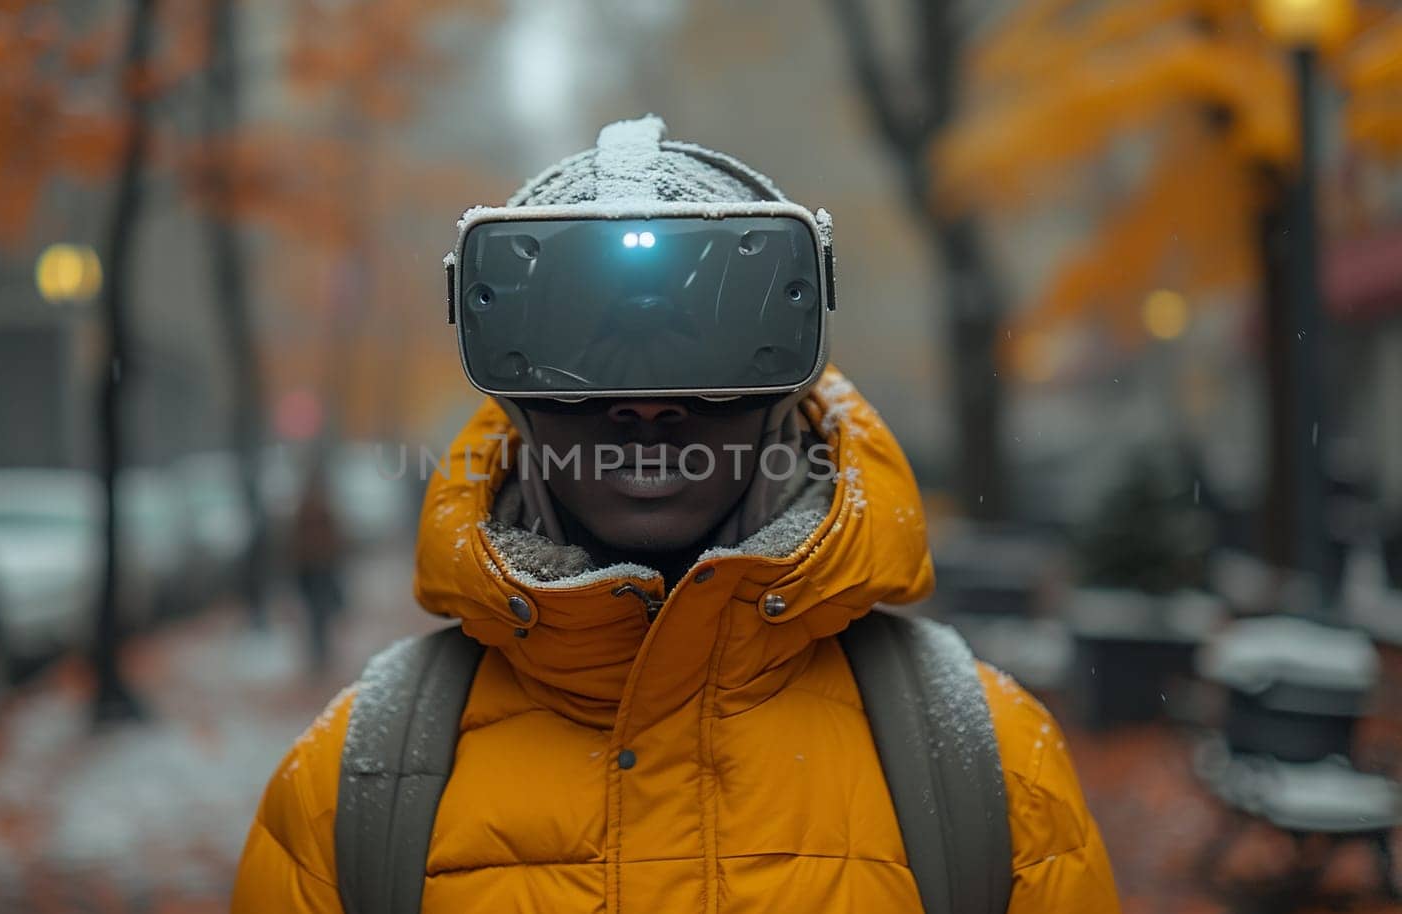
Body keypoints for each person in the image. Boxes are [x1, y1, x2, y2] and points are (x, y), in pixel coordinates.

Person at [232, 116, 1120, 913]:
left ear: (787, 392)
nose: (648, 405)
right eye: (582, 354)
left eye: (708, 345)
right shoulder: (355, 785)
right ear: (515, 403)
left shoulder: (986, 770)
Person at [291, 457, 344, 673]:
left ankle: (319, 653)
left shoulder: (308, 507)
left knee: (318, 613)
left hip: (316, 566)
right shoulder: (315, 507)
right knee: (318, 613)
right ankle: (319, 653)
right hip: (315, 566)